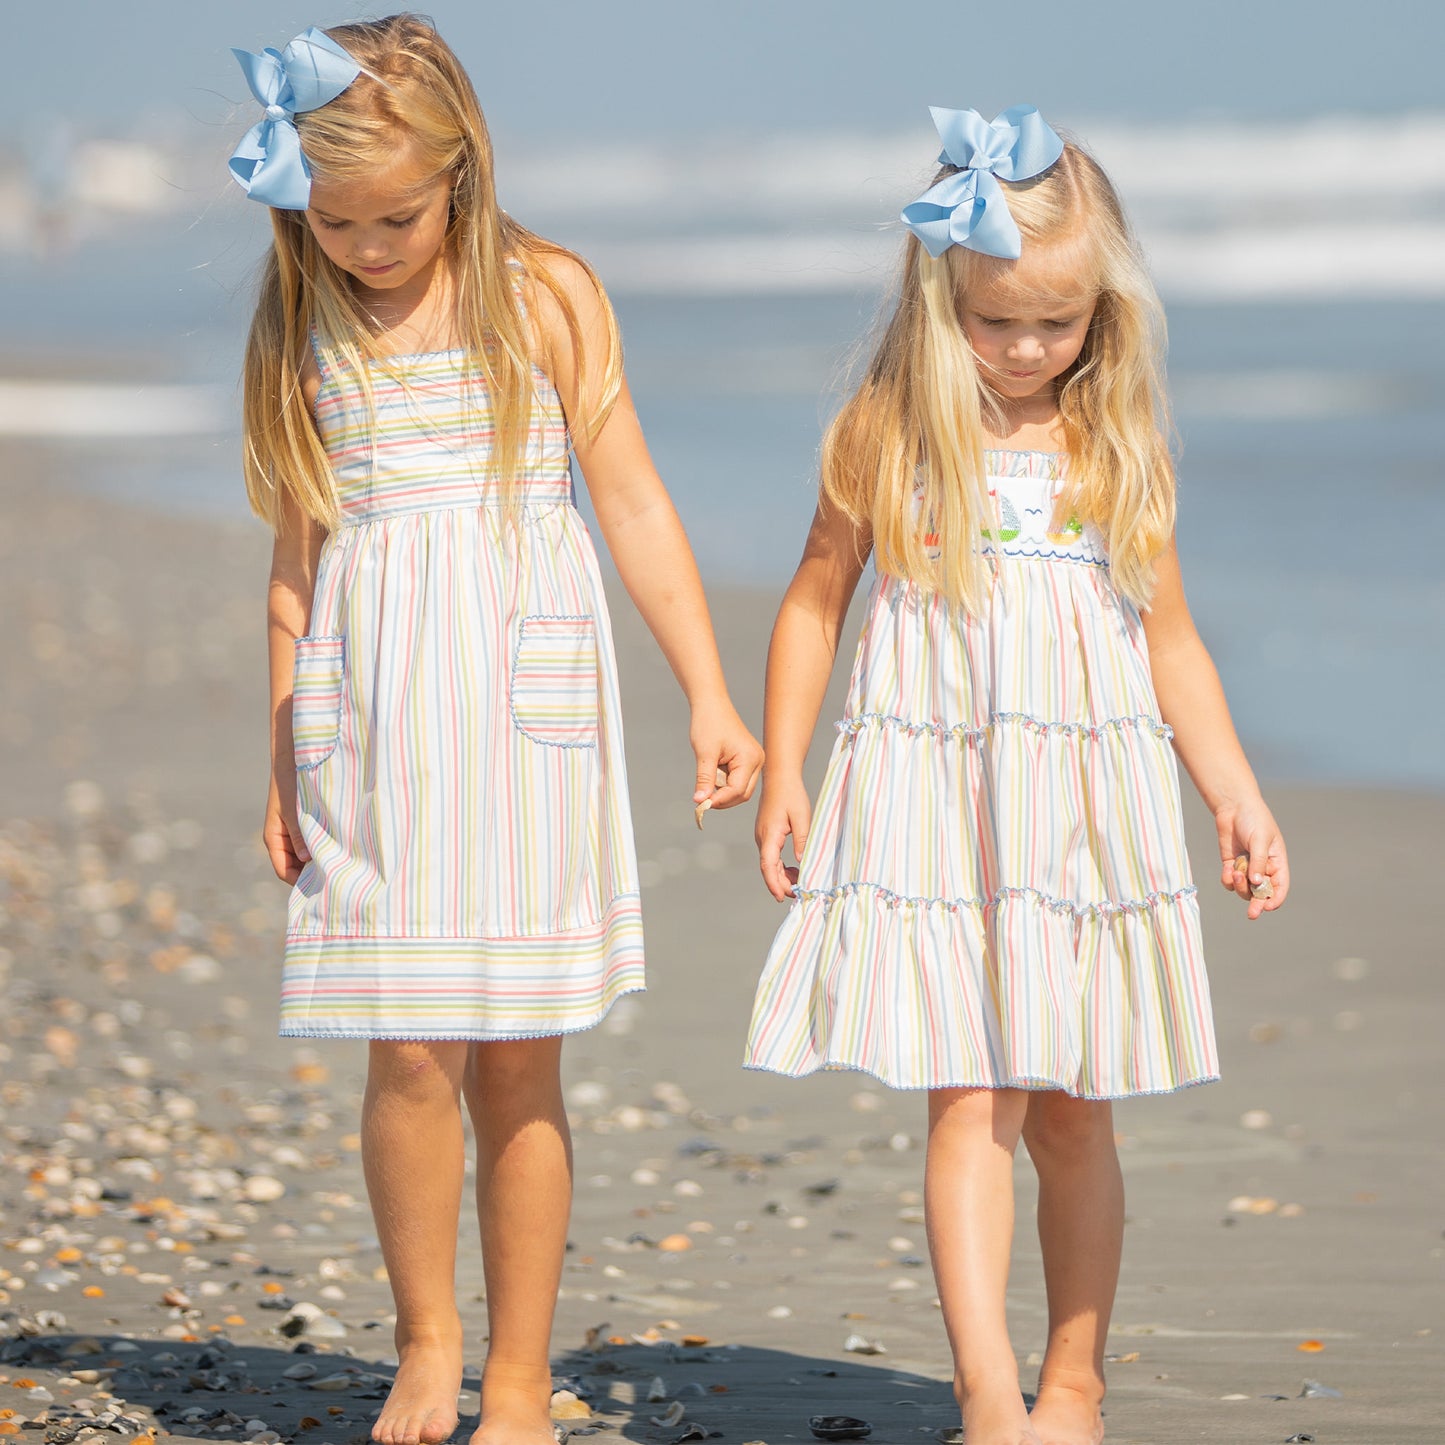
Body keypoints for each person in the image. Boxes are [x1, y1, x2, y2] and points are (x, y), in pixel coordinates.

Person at [230, 18, 763, 1445]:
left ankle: (519, 1375)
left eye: (394, 215)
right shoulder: (304, 319)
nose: (366, 245)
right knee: (405, 1047)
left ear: (462, 173)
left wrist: (709, 688)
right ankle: (425, 1341)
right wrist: (282, 744)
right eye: (332, 220)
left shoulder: (549, 294)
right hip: (371, 714)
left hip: (526, 715)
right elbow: (296, 554)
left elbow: (634, 501)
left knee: (520, 1051)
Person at [746, 105, 1289, 1445]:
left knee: (1070, 1104)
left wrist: (1231, 790)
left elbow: (1170, 646)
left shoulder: (1112, 449)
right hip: (939, 804)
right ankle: (988, 1391)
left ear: (1104, 311)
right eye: (997, 323)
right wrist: (783, 767)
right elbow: (816, 599)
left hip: (1083, 816)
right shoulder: (885, 434)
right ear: (944, 304)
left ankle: (1073, 1380)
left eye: (1060, 323)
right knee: (967, 1093)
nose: (1029, 348)